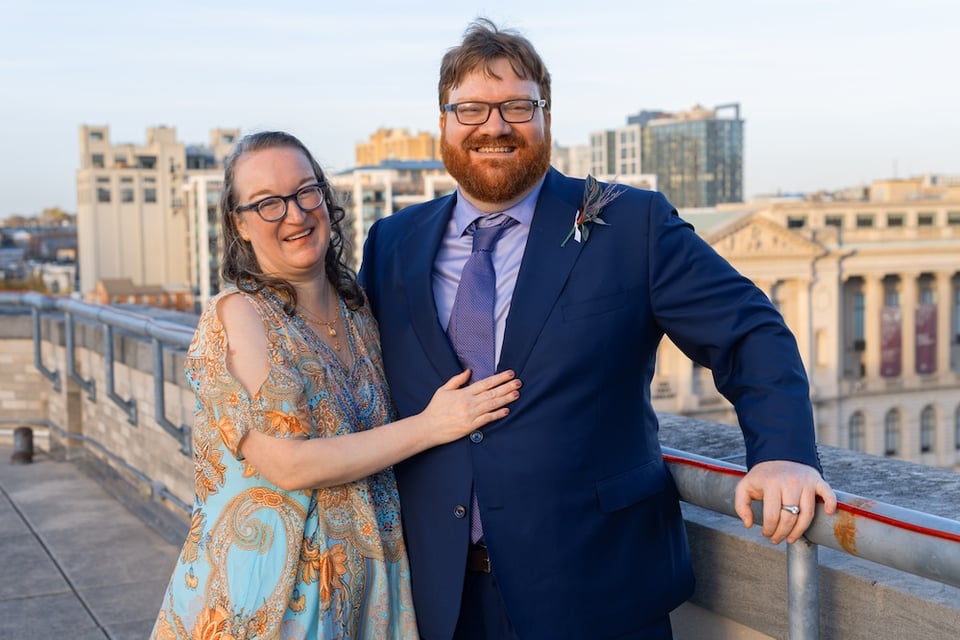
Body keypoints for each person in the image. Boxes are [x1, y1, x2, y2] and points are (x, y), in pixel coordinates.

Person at [358, 18, 838, 640]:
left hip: (599, 592)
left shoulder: (630, 223)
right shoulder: (392, 243)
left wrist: (782, 456)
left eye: (517, 106)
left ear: (547, 118)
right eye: (471, 108)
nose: (494, 126)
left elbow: (750, 330)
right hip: (438, 598)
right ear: (444, 125)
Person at [150, 130, 521, 639]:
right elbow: (290, 463)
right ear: (238, 223)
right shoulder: (237, 316)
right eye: (268, 204)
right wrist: (434, 425)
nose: (296, 215)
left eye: (306, 192)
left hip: (370, 595)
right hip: (275, 603)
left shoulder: (360, 312)